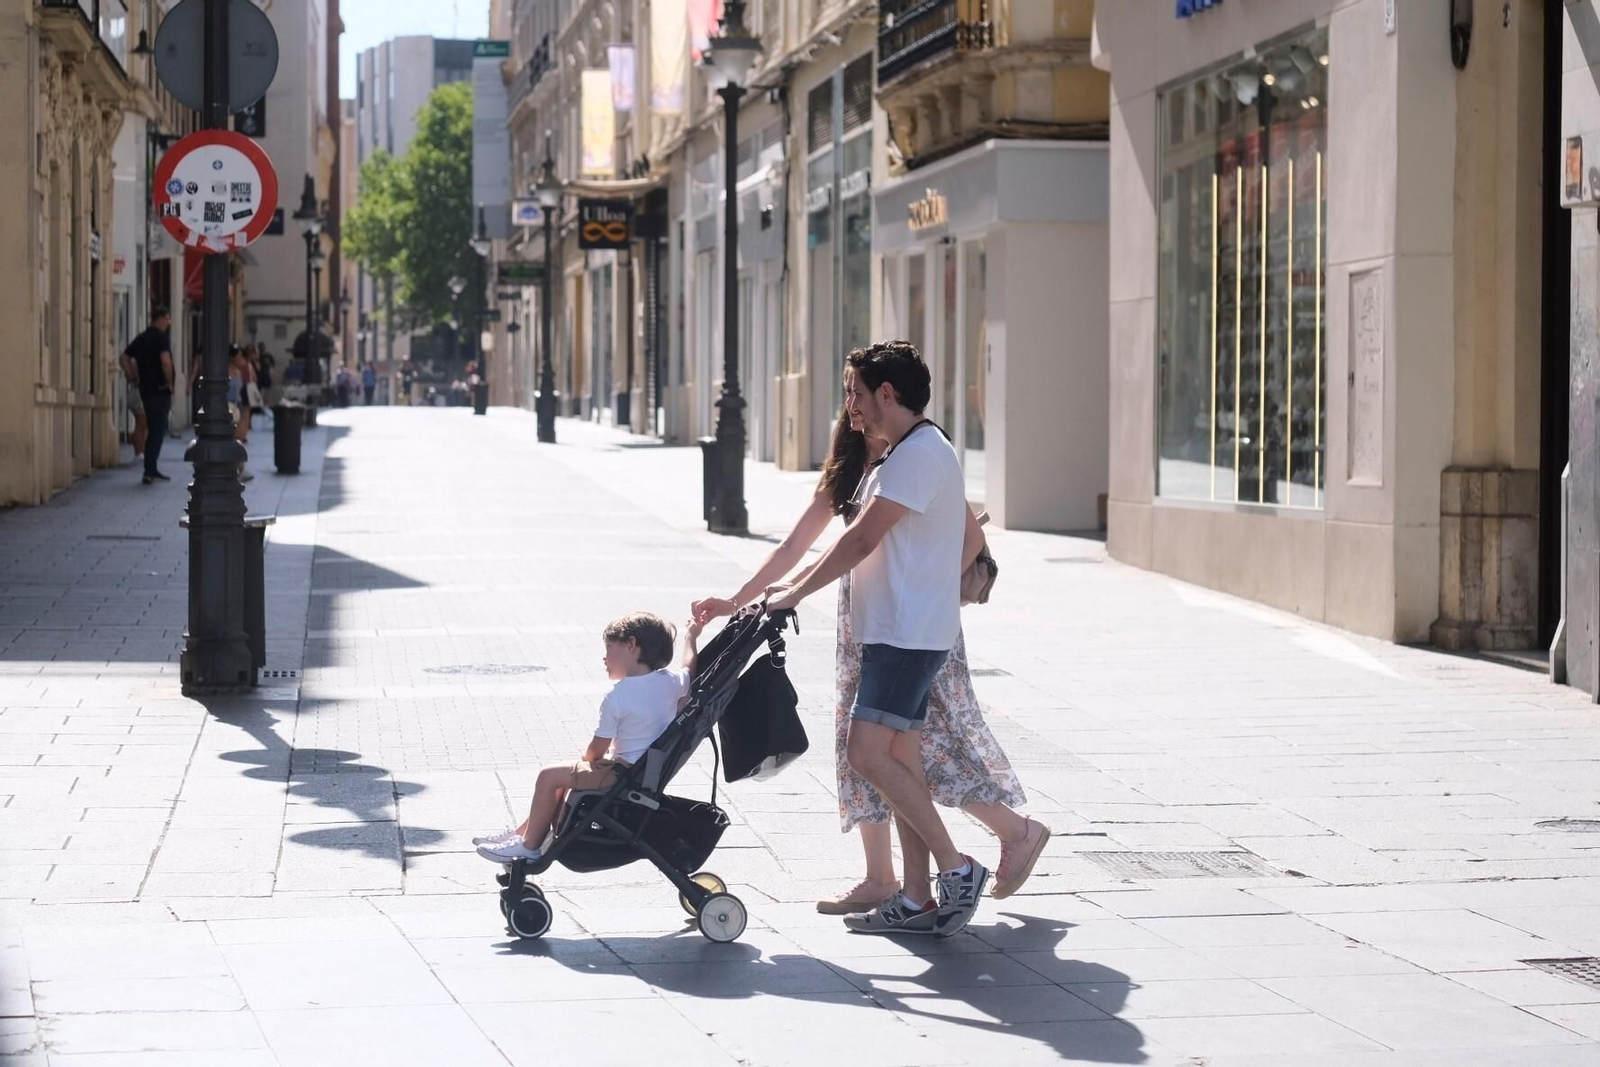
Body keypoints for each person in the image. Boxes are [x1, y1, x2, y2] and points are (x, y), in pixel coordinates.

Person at [694, 409, 1049, 917]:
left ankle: (1011, 832)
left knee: (919, 748)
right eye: (853, 404)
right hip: (866, 619)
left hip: (914, 625)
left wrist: (923, 589)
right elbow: (794, 546)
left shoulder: (913, 456)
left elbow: (971, 539)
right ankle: (883, 876)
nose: (860, 414)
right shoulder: (850, 469)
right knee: (864, 742)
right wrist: (737, 600)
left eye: (862, 399)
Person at [762, 341, 987, 937]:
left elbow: (861, 540)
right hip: (902, 631)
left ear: (887, 393)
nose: (851, 407)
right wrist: (790, 585)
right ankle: (915, 897)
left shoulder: (917, 454)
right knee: (898, 762)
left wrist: (795, 593)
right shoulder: (907, 452)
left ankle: (958, 868)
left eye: (856, 393)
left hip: (905, 636)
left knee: (865, 754)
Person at [473, 612, 701, 864]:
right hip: (643, 771)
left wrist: (585, 759)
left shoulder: (618, 696)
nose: (604, 657)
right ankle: (521, 833)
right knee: (561, 776)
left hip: (621, 772)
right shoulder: (670, 681)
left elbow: (595, 752)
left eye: (609, 648)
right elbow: (688, 668)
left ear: (631, 644)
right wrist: (691, 636)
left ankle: (529, 847)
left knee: (548, 776)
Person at [120, 307, 174, 485]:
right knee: (157, 430)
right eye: (167, 319)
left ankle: (150, 467)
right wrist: (169, 381)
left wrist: (132, 377)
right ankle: (150, 469)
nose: (168, 323)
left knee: (151, 426)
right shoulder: (161, 338)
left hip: (145, 390)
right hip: (160, 389)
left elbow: (124, 357)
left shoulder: (142, 338)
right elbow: (165, 361)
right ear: (160, 319)